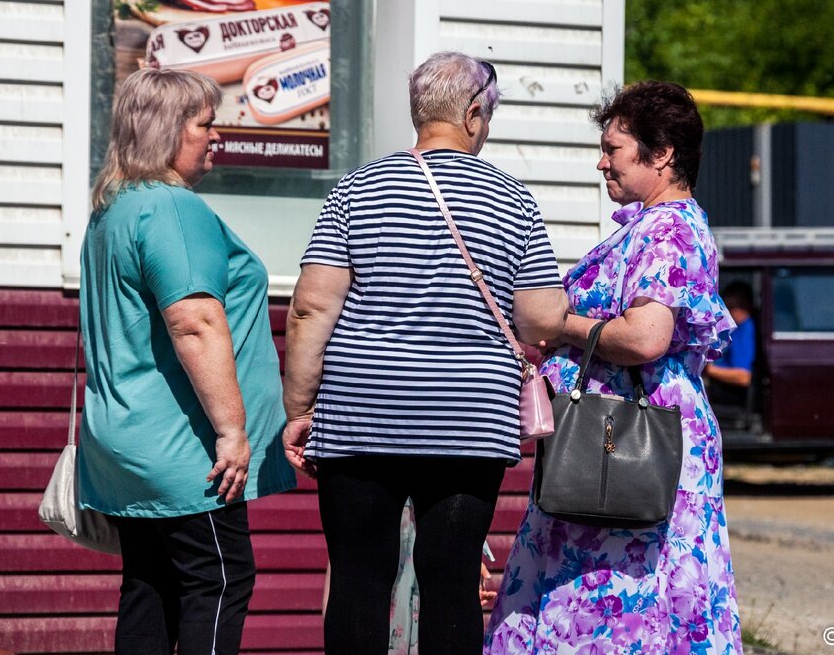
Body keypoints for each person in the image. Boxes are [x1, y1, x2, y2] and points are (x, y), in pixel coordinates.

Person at [283, 51, 569, 655]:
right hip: (468, 420)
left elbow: (311, 309)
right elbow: (542, 316)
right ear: (471, 115)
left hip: (363, 414)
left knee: (360, 579)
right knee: (452, 580)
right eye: (487, 118)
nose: (486, 129)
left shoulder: (355, 189)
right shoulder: (513, 200)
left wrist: (300, 408)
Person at [485, 81, 743, 654]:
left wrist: (556, 324)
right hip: (610, 432)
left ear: (662, 154)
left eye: (614, 148)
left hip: (630, 436)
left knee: (635, 594)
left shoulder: (670, 228)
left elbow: (647, 337)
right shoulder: (649, 227)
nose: (601, 161)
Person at [78, 67, 296, 654]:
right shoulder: (173, 209)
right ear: (167, 131)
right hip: (186, 451)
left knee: (150, 586)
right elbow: (195, 323)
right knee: (219, 581)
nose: (215, 137)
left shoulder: (113, 209)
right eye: (205, 124)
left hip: (125, 443)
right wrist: (232, 431)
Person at [703, 280, 757, 412]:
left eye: (733, 306)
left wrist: (709, 370)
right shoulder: (735, 329)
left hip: (729, 393)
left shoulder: (745, 329)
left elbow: (744, 377)